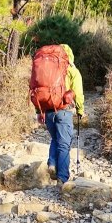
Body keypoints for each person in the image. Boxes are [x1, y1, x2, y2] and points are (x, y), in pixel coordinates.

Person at [41, 43, 85, 184]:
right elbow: (78, 92)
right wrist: (80, 110)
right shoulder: (72, 70)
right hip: (63, 111)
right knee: (64, 145)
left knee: (55, 139)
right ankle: (62, 178)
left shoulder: (47, 68)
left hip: (47, 110)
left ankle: (52, 163)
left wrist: (39, 111)